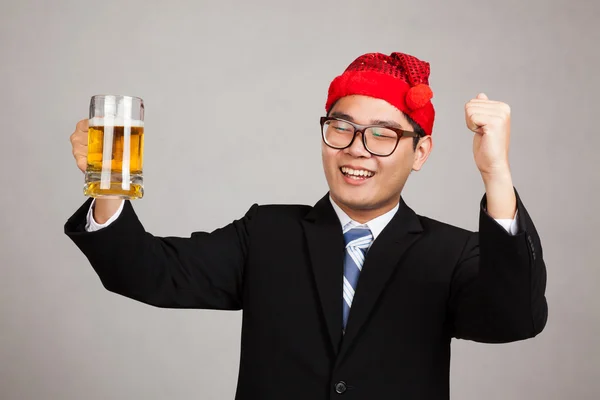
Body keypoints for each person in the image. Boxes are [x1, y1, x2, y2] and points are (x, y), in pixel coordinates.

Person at [65, 51, 548, 399]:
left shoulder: (452, 253)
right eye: (342, 127)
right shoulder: (266, 234)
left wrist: (495, 174)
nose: (357, 148)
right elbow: (146, 272)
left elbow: (514, 319)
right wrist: (108, 183)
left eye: (383, 135)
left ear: (419, 152)